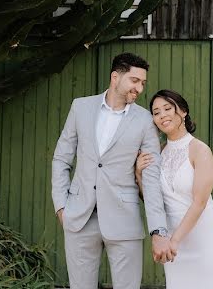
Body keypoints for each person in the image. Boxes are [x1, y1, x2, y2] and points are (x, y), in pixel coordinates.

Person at [51, 53, 171, 289]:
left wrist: (158, 229)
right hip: (79, 218)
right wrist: (61, 207)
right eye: (134, 80)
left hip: (124, 220)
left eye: (143, 83)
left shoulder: (146, 120)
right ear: (115, 77)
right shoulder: (80, 107)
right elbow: (61, 158)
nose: (139, 88)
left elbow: (152, 175)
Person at [136, 89, 213, 288]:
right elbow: (155, 201)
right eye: (156, 112)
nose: (162, 115)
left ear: (183, 111)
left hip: (206, 241)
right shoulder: (158, 154)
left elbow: (199, 203)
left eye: (167, 108)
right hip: (174, 245)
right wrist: (138, 175)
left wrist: (174, 241)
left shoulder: (200, 150)